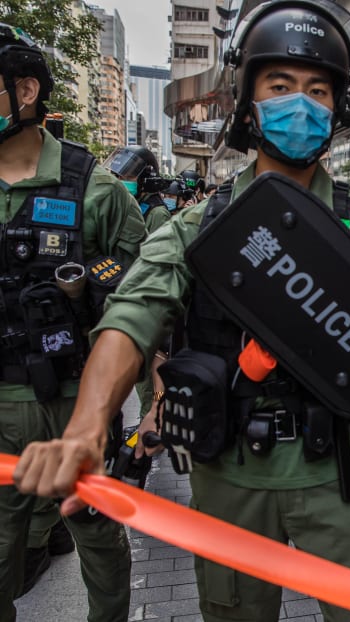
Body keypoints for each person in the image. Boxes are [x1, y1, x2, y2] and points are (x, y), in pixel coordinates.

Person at [13, 2, 350, 621]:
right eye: (280, 87)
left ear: (337, 105)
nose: (300, 104)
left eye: (317, 90)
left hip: (335, 470)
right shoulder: (200, 227)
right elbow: (132, 313)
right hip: (228, 471)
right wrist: (87, 425)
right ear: (247, 101)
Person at [0, 22, 143, 621]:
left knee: (98, 537)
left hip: (75, 396)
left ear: (24, 90)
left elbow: (142, 284)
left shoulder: (96, 185)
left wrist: (89, 287)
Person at [105, 144, 169, 233]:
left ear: (146, 179)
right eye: (118, 176)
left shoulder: (158, 214)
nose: (120, 182)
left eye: (128, 177)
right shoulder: (127, 203)